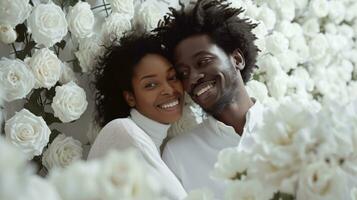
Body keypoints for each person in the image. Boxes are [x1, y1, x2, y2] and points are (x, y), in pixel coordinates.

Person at [155, 0, 263, 197]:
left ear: (237, 59)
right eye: (183, 73)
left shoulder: (294, 127)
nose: (193, 78)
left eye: (203, 62)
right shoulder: (179, 155)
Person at [87, 32, 187, 199]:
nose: (169, 90)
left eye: (172, 77)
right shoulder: (123, 131)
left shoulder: (153, 146)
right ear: (130, 97)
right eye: (151, 85)